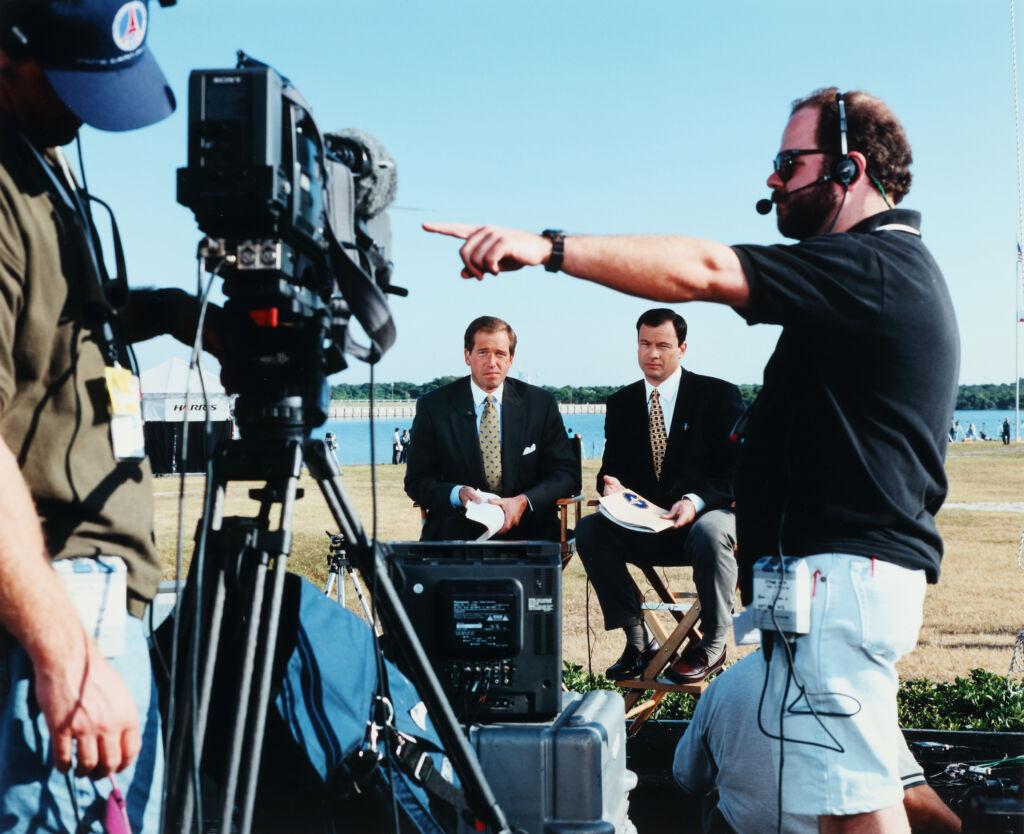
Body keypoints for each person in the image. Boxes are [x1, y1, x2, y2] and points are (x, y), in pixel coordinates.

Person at [424, 87, 959, 832]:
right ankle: (638, 636)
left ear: (848, 169)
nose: (773, 181)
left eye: (787, 161)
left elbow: (705, 270)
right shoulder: (865, 278)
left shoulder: (873, 265)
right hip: (817, 588)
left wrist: (547, 249)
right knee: (839, 815)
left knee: (857, 820)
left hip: (842, 584)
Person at [0, 1, 176, 831]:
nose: (83, 111)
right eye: (69, 83)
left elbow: (59, 324)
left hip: (94, 596)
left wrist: (173, 310)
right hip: (59, 601)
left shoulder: (40, 164)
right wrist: (64, 651)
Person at [575, 308, 743, 682]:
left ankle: (713, 644)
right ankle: (640, 639)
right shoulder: (620, 404)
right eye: (645, 344)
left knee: (712, 530)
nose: (653, 353)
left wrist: (695, 501)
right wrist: (610, 484)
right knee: (589, 529)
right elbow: (610, 466)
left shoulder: (719, 396)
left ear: (682, 349)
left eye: (663, 345)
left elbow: (738, 471)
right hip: (647, 527)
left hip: (704, 522)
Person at [672, 653, 962, 834]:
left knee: (715, 801)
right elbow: (912, 800)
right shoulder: (860, 683)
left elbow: (689, 779)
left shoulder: (724, 686)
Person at [405, 315, 580, 540]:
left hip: (530, 526)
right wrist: (457, 493)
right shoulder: (433, 407)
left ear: (511, 358)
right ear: (467, 356)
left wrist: (523, 501)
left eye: (500, 354)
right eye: (483, 352)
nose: (492, 362)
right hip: (458, 526)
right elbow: (417, 480)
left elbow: (567, 474)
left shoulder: (540, 404)